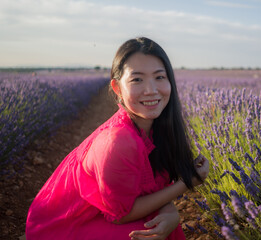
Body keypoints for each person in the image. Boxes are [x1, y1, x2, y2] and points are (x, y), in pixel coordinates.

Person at [26, 37, 209, 240]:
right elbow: (121, 215)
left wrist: (169, 210)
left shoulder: (157, 127)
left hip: (100, 214)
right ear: (117, 88)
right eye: (137, 79)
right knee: (151, 234)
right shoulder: (118, 142)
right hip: (62, 228)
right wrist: (187, 183)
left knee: (162, 226)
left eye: (159, 77)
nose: (151, 90)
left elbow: (152, 188)